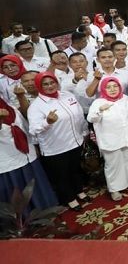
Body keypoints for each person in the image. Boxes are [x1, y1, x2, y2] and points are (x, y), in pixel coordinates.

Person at [28, 72, 90, 211]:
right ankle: (70, 198)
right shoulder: (36, 106)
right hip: (55, 147)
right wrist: (47, 122)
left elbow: (79, 114)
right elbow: (33, 130)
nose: (50, 86)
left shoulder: (67, 95)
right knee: (62, 175)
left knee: (75, 169)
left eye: (52, 82)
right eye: (46, 84)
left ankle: (79, 191)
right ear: (39, 86)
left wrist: (85, 131)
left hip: (75, 141)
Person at [0, 96, 58, 211]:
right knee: (17, 191)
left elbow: (25, 127)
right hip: (8, 161)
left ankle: (43, 210)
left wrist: (33, 145)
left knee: (35, 186)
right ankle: (23, 220)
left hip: (27, 154)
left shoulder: (11, 109)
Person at [87, 77, 128, 201]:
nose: (113, 89)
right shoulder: (98, 102)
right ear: (103, 89)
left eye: (115, 86)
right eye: (108, 87)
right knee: (113, 165)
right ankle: (114, 189)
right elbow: (91, 119)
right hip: (110, 139)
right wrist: (100, 110)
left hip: (127, 137)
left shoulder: (126, 98)